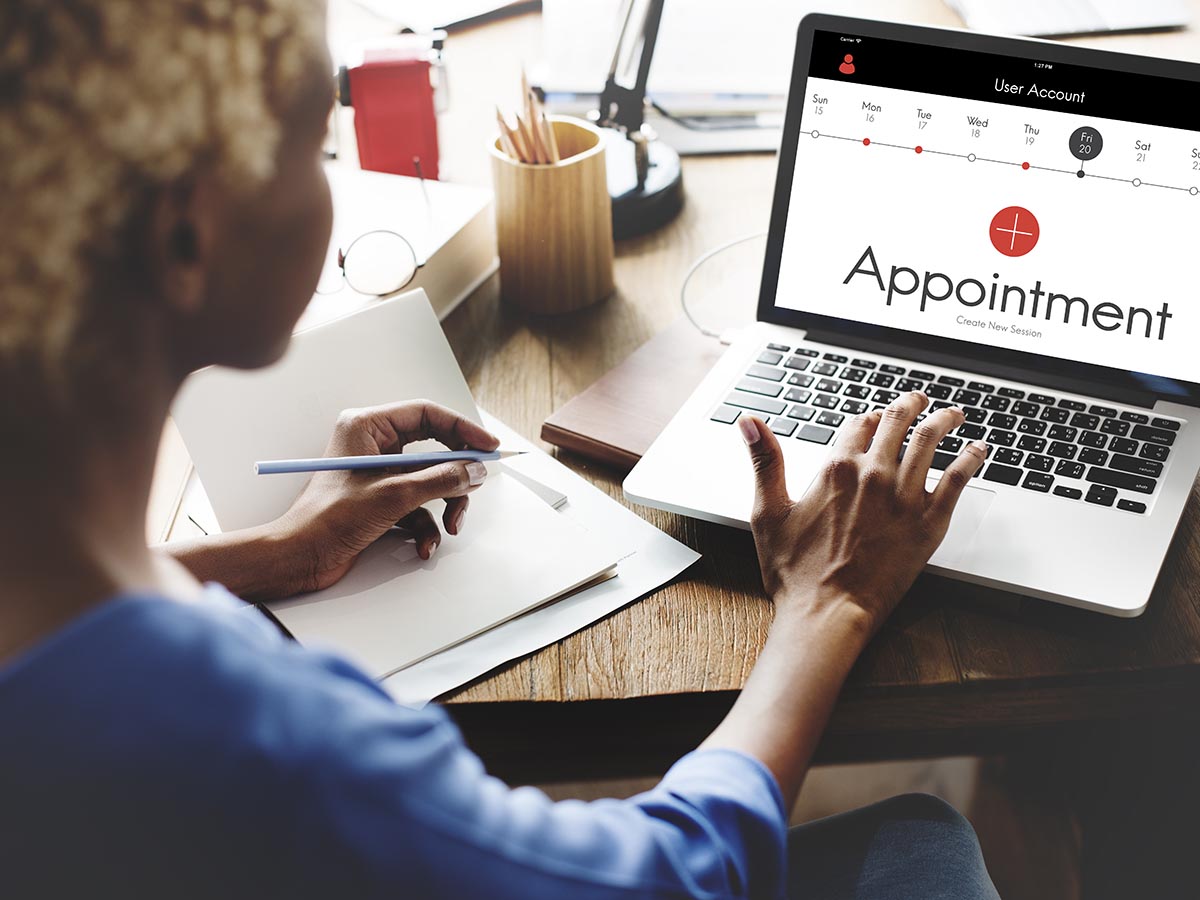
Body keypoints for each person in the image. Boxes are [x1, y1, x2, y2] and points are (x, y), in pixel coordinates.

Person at [0, 2, 999, 897]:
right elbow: (672, 877)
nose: (334, 187)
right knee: (921, 845)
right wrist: (827, 608)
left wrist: (269, 557)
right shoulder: (266, 747)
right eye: (317, 150)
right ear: (187, 238)